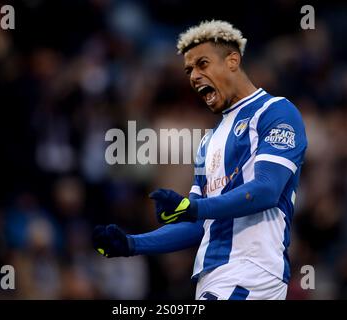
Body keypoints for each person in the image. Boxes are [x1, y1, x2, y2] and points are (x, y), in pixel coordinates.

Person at [92, 20, 308, 300]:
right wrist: (132, 244)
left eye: (202, 64)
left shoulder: (275, 112)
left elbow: (266, 190)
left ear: (232, 61)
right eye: (189, 69)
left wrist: (192, 208)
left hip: (251, 270)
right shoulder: (209, 141)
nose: (194, 76)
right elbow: (198, 225)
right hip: (213, 277)